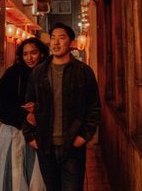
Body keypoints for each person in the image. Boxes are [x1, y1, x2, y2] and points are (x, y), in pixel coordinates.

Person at [22, 22, 101, 191]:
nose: (56, 43)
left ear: (71, 43)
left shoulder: (83, 71)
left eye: (61, 38)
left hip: (72, 146)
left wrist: (83, 136)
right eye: (53, 38)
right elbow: (28, 105)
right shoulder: (39, 72)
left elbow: (94, 107)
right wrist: (31, 137)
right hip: (45, 147)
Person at [0, 37, 49, 191]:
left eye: (33, 53)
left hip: (38, 131)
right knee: (15, 173)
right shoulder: (13, 74)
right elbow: (2, 101)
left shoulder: (47, 73)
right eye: (25, 54)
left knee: (37, 176)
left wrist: (37, 109)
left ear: (41, 54)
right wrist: (24, 115)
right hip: (14, 131)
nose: (29, 58)